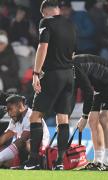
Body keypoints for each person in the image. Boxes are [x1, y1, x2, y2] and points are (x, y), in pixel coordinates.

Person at [23, 0, 77, 170]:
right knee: (63, 118)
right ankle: (60, 162)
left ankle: (33, 161)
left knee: (35, 116)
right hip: (69, 74)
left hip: (53, 74)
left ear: (45, 11)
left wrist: (36, 73)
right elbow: (74, 52)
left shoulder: (46, 22)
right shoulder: (70, 25)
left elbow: (42, 47)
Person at [73, 54, 108, 171]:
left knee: (104, 119)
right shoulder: (70, 67)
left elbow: (87, 91)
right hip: (99, 87)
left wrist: (83, 117)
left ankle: (107, 162)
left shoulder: (74, 65)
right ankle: (97, 161)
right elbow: (74, 92)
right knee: (93, 121)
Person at [0, 94, 50, 168]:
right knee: (4, 154)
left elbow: (23, 140)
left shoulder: (31, 116)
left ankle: (36, 163)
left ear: (20, 106)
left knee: (22, 141)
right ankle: (22, 165)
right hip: (25, 150)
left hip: (41, 150)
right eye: (7, 111)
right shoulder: (15, 119)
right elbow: (5, 136)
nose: (9, 114)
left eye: (10, 109)